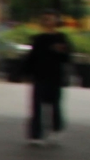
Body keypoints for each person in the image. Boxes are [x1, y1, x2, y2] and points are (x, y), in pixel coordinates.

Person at [21, 12, 73, 142]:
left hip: (55, 75)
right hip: (40, 74)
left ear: (56, 22)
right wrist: (26, 72)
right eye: (45, 19)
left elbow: (67, 57)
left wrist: (60, 50)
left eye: (51, 19)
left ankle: (56, 128)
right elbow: (32, 57)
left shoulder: (61, 37)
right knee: (37, 104)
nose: (48, 22)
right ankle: (36, 134)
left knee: (54, 103)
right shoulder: (39, 38)